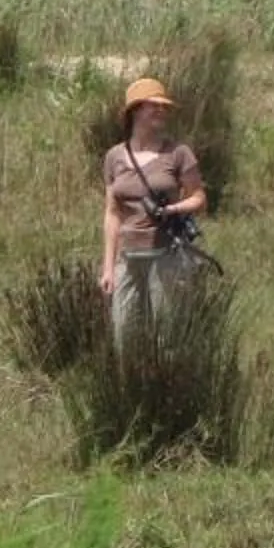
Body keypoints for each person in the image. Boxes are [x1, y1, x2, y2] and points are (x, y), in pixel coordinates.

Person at [99, 77, 207, 346]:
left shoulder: (178, 153)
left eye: (164, 107)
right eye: (154, 105)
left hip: (166, 256)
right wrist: (108, 267)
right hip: (128, 257)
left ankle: (166, 386)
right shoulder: (114, 157)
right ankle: (130, 386)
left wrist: (172, 209)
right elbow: (112, 213)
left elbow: (199, 198)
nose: (161, 111)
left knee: (166, 338)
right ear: (135, 110)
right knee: (124, 336)